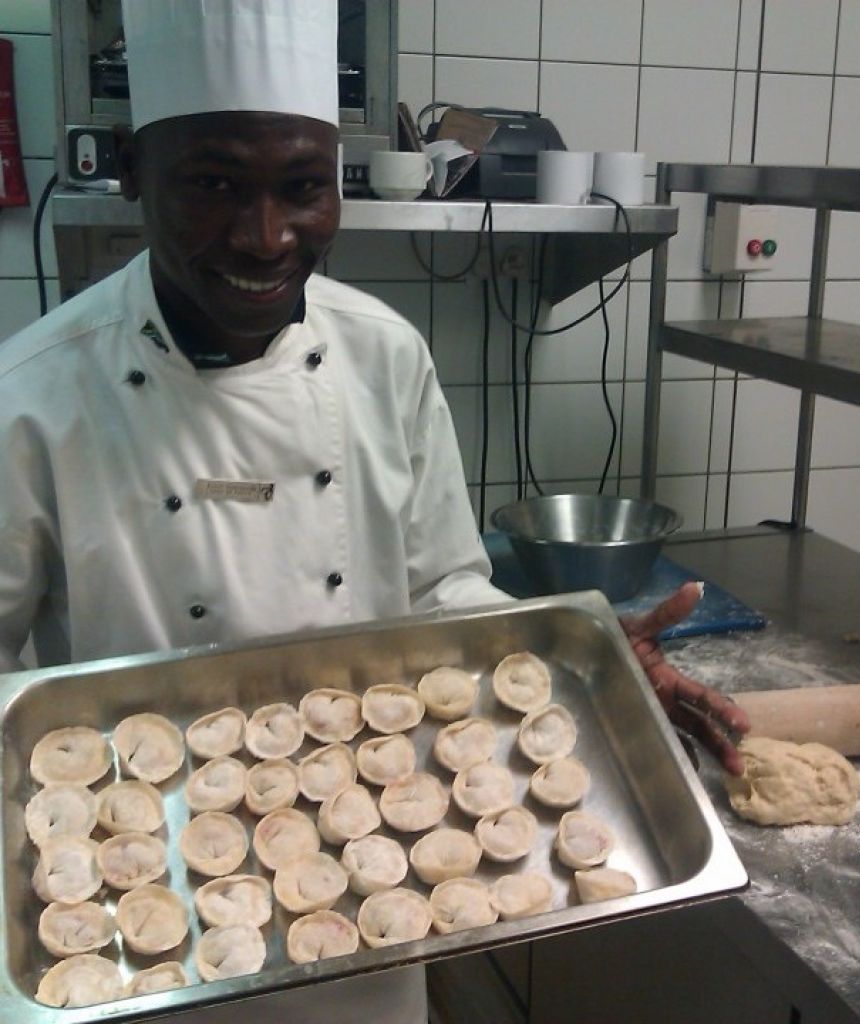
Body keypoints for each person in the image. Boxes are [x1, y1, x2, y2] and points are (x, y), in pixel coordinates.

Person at [0, 1, 746, 1019]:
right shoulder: (33, 399)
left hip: (378, 906)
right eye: (214, 184)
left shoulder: (382, 353)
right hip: (138, 931)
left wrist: (589, 669)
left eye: (304, 187)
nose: (266, 237)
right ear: (134, 170)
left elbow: (446, 583)